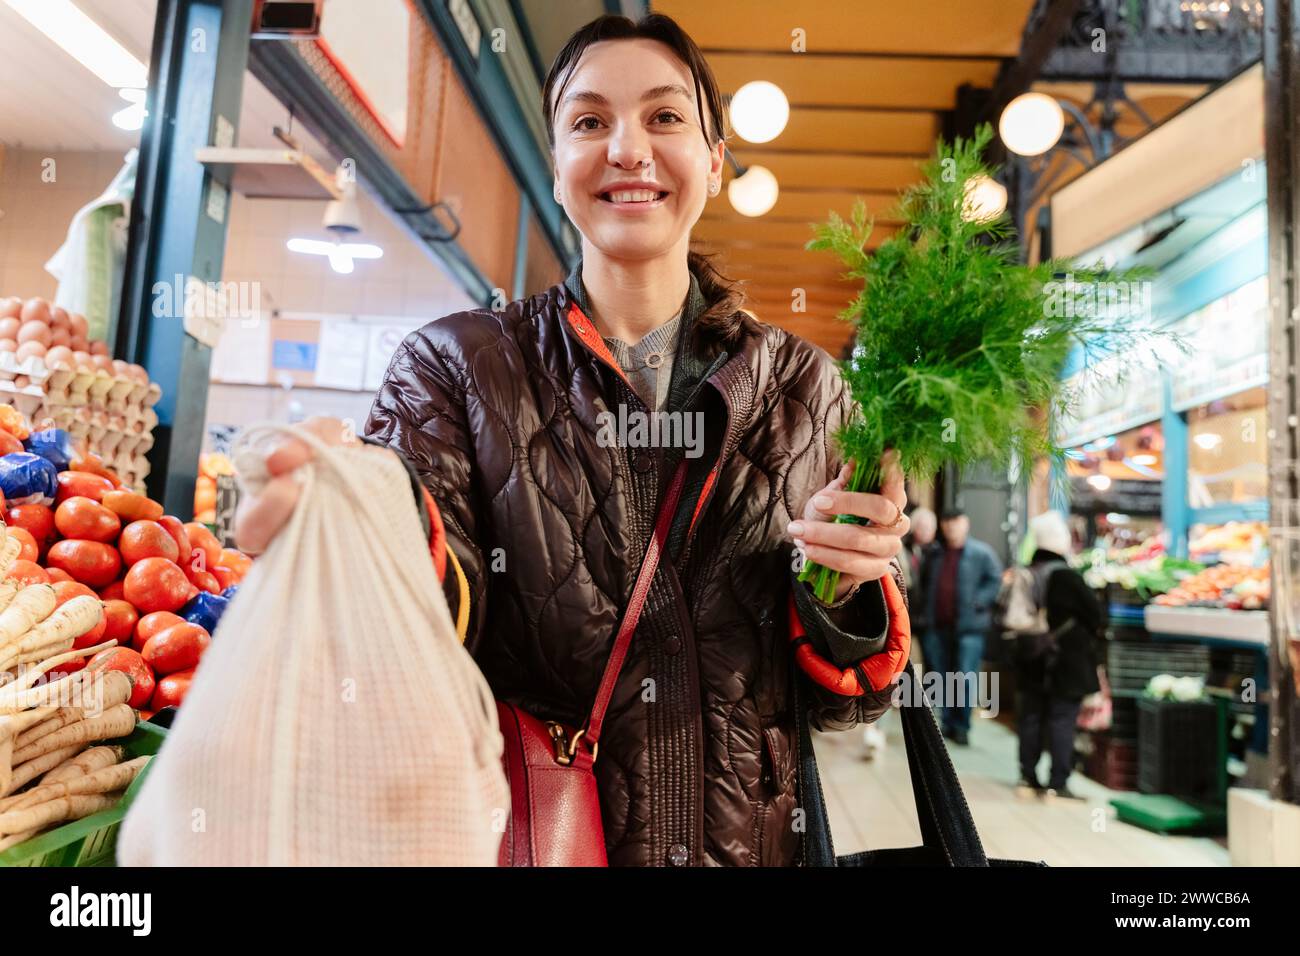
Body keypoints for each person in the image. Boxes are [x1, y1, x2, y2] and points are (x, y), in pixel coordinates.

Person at [235, 13, 913, 867]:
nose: (628, 149)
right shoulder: (458, 365)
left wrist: (847, 589)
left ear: (713, 159)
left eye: (665, 117)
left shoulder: (809, 391)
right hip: (533, 839)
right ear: (557, 169)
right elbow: (423, 624)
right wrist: (360, 529)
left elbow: (843, 707)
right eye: (589, 123)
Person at [1016, 511, 1101, 800]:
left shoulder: (1026, 573)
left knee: (1031, 717)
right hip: (1066, 662)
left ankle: (1027, 777)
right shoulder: (1067, 577)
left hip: (1031, 657)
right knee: (1062, 719)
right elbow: (1097, 616)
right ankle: (1058, 782)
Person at [921, 508, 1002, 745]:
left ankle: (962, 725)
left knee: (965, 676)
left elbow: (995, 579)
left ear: (965, 524)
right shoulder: (935, 553)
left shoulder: (981, 553)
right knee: (942, 676)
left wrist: (978, 601)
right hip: (937, 626)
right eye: (947, 522)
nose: (951, 527)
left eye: (955, 522)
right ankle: (947, 723)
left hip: (969, 627)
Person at [862, 505, 935, 759]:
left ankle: (905, 728)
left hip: (916, 628)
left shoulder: (932, 553)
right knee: (887, 679)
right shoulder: (897, 550)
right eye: (921, 526)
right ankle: (875, 730)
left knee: (906, 680)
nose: (925, 531)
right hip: (891, 625)